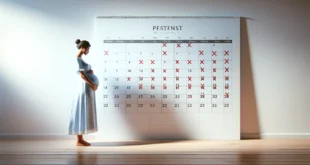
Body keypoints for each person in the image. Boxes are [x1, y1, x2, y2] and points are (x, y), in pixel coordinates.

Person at [68, 39, 99, 146]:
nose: (88, 51)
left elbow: (84, 72)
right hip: (84, 88)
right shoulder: (77, 59)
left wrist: (90, 71)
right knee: (81, 111)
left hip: (87, 89)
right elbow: (81, 75)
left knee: (84, 111)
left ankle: (80, 139)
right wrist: (93, 84)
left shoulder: (81, 59)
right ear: (82, 48)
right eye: (87, 49)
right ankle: (79, 140)